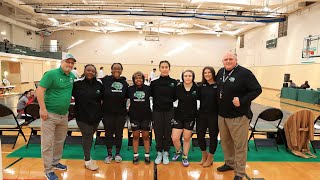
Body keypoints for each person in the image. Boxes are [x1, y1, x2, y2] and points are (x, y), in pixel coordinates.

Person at [216, 52, 262, 180]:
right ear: (222, 61)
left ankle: (239, 172)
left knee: (239, 145)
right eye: (225, 59)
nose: (228, 61)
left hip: (239, 116)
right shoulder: (220, 72)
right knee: (225, 142)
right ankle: (229, 163)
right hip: (222, 116)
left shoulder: (245, 73)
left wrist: (242, 100)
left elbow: (257, 89)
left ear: (236, 60)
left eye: (231, 59)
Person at [36, 53, 76, 180]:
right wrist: (42, 109)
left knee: (59, 141)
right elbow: (40, 90)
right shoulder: (51, 74)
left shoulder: (72, 76)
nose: (69, 65)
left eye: (72, 63)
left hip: (64, 115)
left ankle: (55, 162)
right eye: (67, 62)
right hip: (49, 115)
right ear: (62, 62)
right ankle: (48, 170)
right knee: (47, 143)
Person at [72, 64, 103, 171]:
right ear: (84, 71)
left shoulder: (99, 84)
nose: (90, 72)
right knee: (87, 135)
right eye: (88, 70)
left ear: (95, 73)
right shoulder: (77, 83)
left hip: (96, 116)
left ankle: (87, 155)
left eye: (92, 71)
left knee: (89, 136)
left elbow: (103, 98)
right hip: (82, 116)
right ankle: (87, 160)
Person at [150, 60, 177, 165]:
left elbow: (175, 98)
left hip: (169, 111)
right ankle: (159, 152)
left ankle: (166, 151)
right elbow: (151, 95)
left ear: (169, 69)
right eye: (162, 67)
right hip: (157, 111)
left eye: (166, 67)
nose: (164, 69)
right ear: (160, 68)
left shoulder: (174, 82)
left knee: (167, 132)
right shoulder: (154, 83)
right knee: (158, 132)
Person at [101, 63, 129, 164]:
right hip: (107, 112)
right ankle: (109, 154)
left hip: (120, 113)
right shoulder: (105, 81)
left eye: (119, 69)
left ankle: (117, 153)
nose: (117, 70)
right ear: (111, 70)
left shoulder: (125, 83)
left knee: (119, 134)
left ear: (121, 70)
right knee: (108, 134)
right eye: (114, 68)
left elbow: (127, 97)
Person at [171, 70, 198, 167]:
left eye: (190, 75)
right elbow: (172, 98)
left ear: (193, 77)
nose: (187, 77)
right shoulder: (178, 87)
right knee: (174, 138)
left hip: (190, 117)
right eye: (185, 75)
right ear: (183, 77)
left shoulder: (197, 88)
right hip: (178, 116)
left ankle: (185, 156)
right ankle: (178, 151)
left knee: (186, 138)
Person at [127, 71, 152, 165]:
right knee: (136, 136)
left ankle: (147, 155)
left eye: (140, 78)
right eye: (136, 78)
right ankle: (135, 155)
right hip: (134, 116)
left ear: (143, 79)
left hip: (146, 116)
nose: (138, 80)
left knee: (146, 136)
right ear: (133, 79)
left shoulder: (148, 89)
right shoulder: (130, 89)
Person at [197, 66, 219, 167]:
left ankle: (210, 157)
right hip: (202, 114)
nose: (207, 74)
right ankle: (204, 155)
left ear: (213, 73)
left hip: (214, 115)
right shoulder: (201, 86)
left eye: (209, 72)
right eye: (205, 73)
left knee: (213, 136)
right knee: (200, 135)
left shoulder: (218, 85)